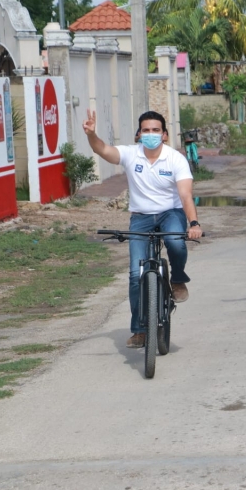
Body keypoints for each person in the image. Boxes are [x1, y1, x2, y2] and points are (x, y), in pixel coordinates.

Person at [83, 110, 203, 348]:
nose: (150, 134)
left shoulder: (175, 159)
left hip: (171, 213)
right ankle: (139, 330)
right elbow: (102, 150)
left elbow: (185, 195)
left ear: (165, 135)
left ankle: (177, 279)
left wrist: (193, 223)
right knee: (136, 275)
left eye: (155, 130)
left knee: (176, 243)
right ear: (139, 134)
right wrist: (91, 134)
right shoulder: (130, 154)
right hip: (141, 217)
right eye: (146, 130)